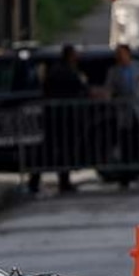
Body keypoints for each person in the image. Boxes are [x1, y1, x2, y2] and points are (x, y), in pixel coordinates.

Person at [32, 44, 91, 195]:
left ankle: (37, 180)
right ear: (70, 56)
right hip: (63, 116)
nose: (77, 58)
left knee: (49, 151)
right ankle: (60, 181)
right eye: (74, 55)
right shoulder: (68, 72)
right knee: (61, 151)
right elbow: (79, 88)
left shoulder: (55, 71)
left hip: (56, 116)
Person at [103, 41, 139, 185]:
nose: (119, 57)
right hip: (124, 113)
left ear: (128, 54)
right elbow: (108, 90)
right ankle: (125, 177)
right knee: (126, 146)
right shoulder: (114, 71)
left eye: (121, 54)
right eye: (117, 54)